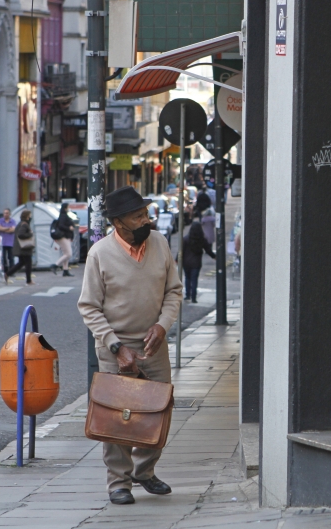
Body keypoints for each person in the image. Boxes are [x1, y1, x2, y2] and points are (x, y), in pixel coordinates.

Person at [78, 185, 182, 506]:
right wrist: (115, 346)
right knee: (117, 417)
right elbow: (89, 307)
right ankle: (118, 482)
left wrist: (162, 325)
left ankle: (144, 470)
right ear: (118, 223)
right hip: (115, 347)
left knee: (159, 410)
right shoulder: (99, 254)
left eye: (145, 213)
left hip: (153, 345)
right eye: (138, 216)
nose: (146, 220)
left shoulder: (160, 243)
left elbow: (174, 291)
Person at [182, 219, 215, 303]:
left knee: (187, 278)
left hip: (186, 262)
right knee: (194, 280)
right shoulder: (202, 240)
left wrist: (176, 260)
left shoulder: (185, 239)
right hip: (196, 263)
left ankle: (187, 295)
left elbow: (181, 250)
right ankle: (194, 297)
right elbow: (208, 250)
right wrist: (214, 256)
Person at [5, 210, 35, 286]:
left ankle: (8, 273)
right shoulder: (25, 225)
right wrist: (30, 234)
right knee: (28, 264)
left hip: (20, 248)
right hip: (25, 248)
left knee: (21, 263)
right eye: (30, 216)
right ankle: (28, 281)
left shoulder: (20, 223)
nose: (30, 217)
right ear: (27, 217)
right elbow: (20, 234)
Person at [52, 203, 75, 277]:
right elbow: (61, 225)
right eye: (68, 207)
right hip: (63, 237)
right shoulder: (63, 216)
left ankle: (65, 270)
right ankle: (55, 265)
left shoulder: (63, 215)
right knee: (68, 254)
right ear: (65, 208)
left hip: (66, 237)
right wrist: (69, 228)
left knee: (66, 253)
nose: (69, 208)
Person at [0, 208, 17, 274]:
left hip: (10, 242)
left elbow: (13, 230)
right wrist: (8, 228)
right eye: (4, 213)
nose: (5, 214)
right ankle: (5, 271)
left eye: (7, 213)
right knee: (3, 258)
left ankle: (12, 271)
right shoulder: (0, 220)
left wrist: (3, 229)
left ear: (10, 214)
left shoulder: (13, 221)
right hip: (2, 242)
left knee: (11, 257)